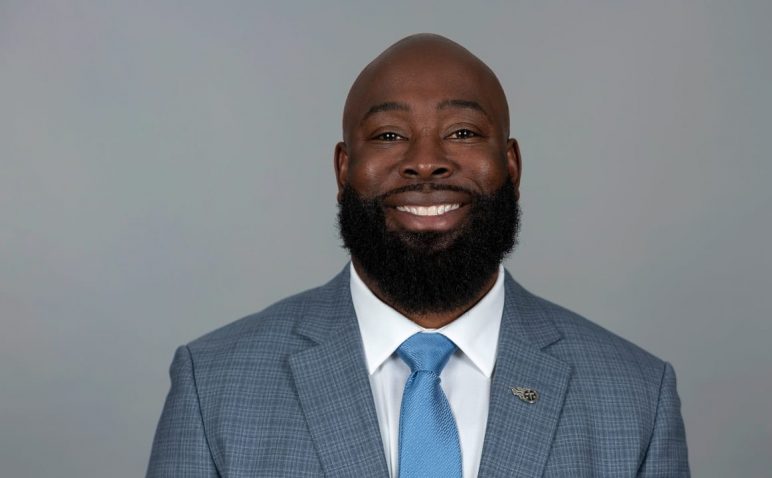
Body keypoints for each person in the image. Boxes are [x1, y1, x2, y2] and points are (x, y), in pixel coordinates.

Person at [147, 33, 690, 477]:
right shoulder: (213, 384)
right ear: (342, 170)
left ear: (512, 167)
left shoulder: (636, 396)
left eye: (462, 132)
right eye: (388, 135)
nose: (426, 161)